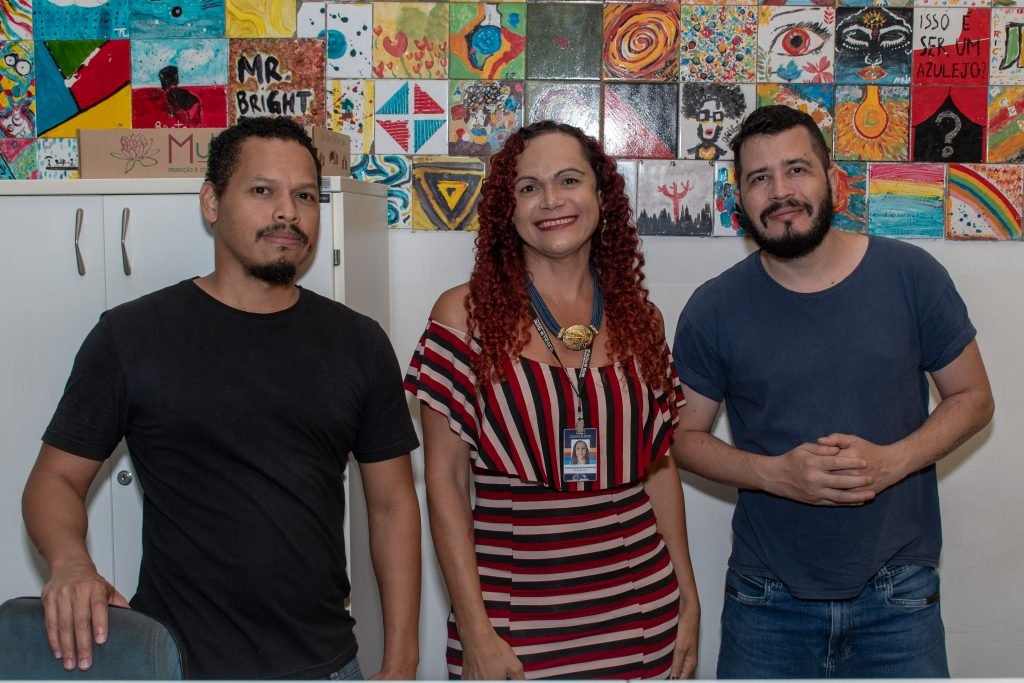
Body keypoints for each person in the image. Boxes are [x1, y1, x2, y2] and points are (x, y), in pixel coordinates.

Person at [21, 116, 422, 679]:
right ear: (212, 201)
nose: (288, 212)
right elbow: (54, 479)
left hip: (325, 665)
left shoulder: (358, 343)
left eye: (304, 195)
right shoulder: (132, 336)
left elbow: (393, 505)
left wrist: (401, 662)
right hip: (176, 665)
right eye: (263, 191)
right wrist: (69, 563)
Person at [672, 105, 994, 678]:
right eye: (759, 178)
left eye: (796, 170)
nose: (780, 192)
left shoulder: (911, 276)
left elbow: (973, 398)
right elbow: (683, 439)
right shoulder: (713, 308)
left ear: (833, 181)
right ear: (739, 199)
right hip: (764, 601)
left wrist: (892, 463)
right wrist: (778, 475)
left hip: (900, 595)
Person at [405, 120, 700, 680]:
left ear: (600, 197)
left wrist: (687, 595)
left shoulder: (643, 320)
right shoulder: (462, 318)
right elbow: (443, 482)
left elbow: (659, 465)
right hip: (512, 623)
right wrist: (474, 630)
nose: (551, 200)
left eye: (569, 180)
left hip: (640, 610)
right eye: (528, 187)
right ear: (507, 210)